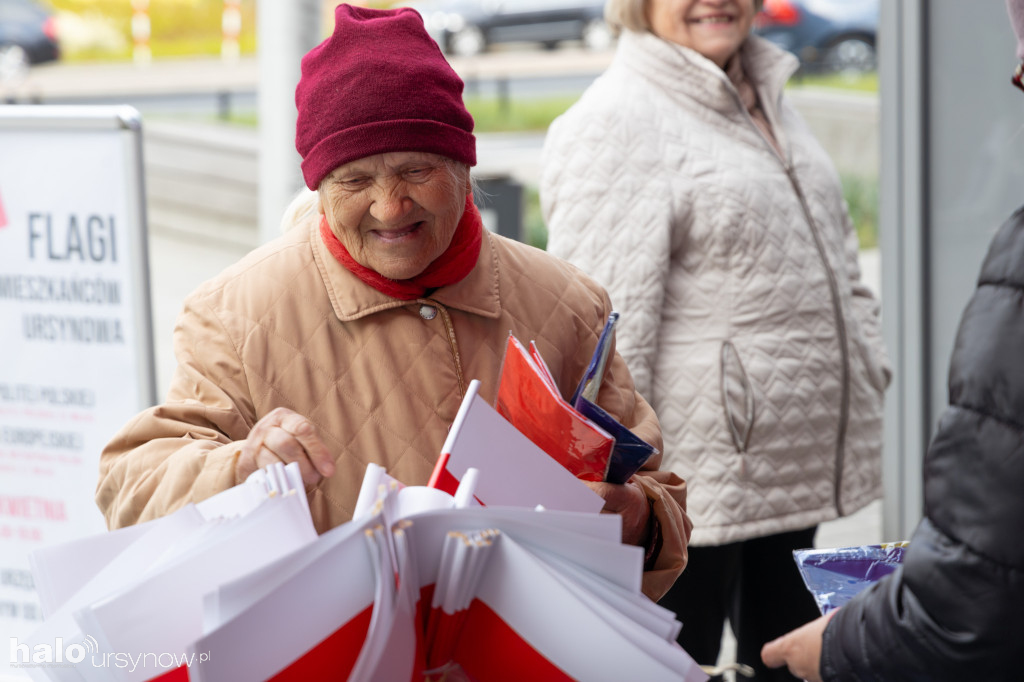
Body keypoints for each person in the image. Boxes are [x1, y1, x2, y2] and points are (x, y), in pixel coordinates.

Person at [94, 3, 691, 603]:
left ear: (463, 165)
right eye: (355, 181)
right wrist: (241, 470)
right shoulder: (233, 314)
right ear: (321, 188)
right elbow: (128, 488)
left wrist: (636, 516)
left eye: (416, 170)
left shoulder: (566, 300)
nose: (389, 205)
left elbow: (655, 498)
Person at [539, 0, 889, 677]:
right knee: (677, 665)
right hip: (696, 487)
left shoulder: (764, 91)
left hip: (794, 468)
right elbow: (603, 331)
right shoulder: (616, 120)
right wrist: (627, 488)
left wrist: (869, 359)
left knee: (793, 662)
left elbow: (839, 260)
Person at [761, 3, 1024, 679]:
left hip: (799, 463)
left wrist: (848, 645)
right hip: (711, 475)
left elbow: (972, 595)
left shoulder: (779, 105)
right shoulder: (611, 125)